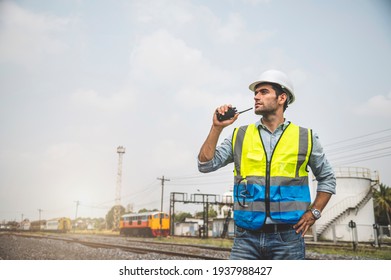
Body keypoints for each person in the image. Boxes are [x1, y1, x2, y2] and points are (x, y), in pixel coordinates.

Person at [197, 69, 336, 260]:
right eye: (255, 93)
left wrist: (314, 213)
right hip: (246, 237)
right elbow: (205, 165)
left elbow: (327, 178)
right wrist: (216, 128)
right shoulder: (240, 135)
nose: (256, 96)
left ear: (282, 98)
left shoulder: (306, 137)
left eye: (263, 92)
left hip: (289, 237)